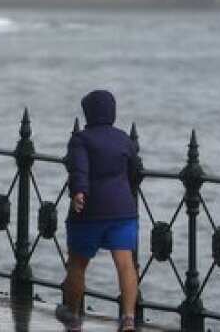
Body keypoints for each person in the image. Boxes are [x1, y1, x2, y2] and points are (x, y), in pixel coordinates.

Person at [55, 89, 140, 331]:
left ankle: (72, 314)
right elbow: (135, 168)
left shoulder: (81, 139)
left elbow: (79, 168)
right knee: (125, 264)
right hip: (122, 210)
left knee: (77, 264)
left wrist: (79, 192)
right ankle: (128, 318)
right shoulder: (124, 139)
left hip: (89, 211)